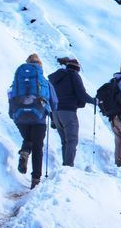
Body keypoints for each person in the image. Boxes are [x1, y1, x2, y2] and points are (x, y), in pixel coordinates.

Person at [9, 54, 58, 188]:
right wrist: (52, 117)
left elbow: (11, 95)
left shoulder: (18, 81)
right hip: (39, 118)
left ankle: (25, 152)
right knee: (37, 147)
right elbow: (54, 101)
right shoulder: (44, 82)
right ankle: (35, 180)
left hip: (20, 117)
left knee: (28, 139)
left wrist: (12, 113)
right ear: (40, 66)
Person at [48, 56, 96, 167]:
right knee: (72, 140)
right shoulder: (74, 75)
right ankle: (68, 166)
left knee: (64, 141)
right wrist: (94, 101)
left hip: (56, 112)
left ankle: (65, 166)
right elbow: (81, 94)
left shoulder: (56, 78)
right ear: (77, 69)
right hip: (68, 112)